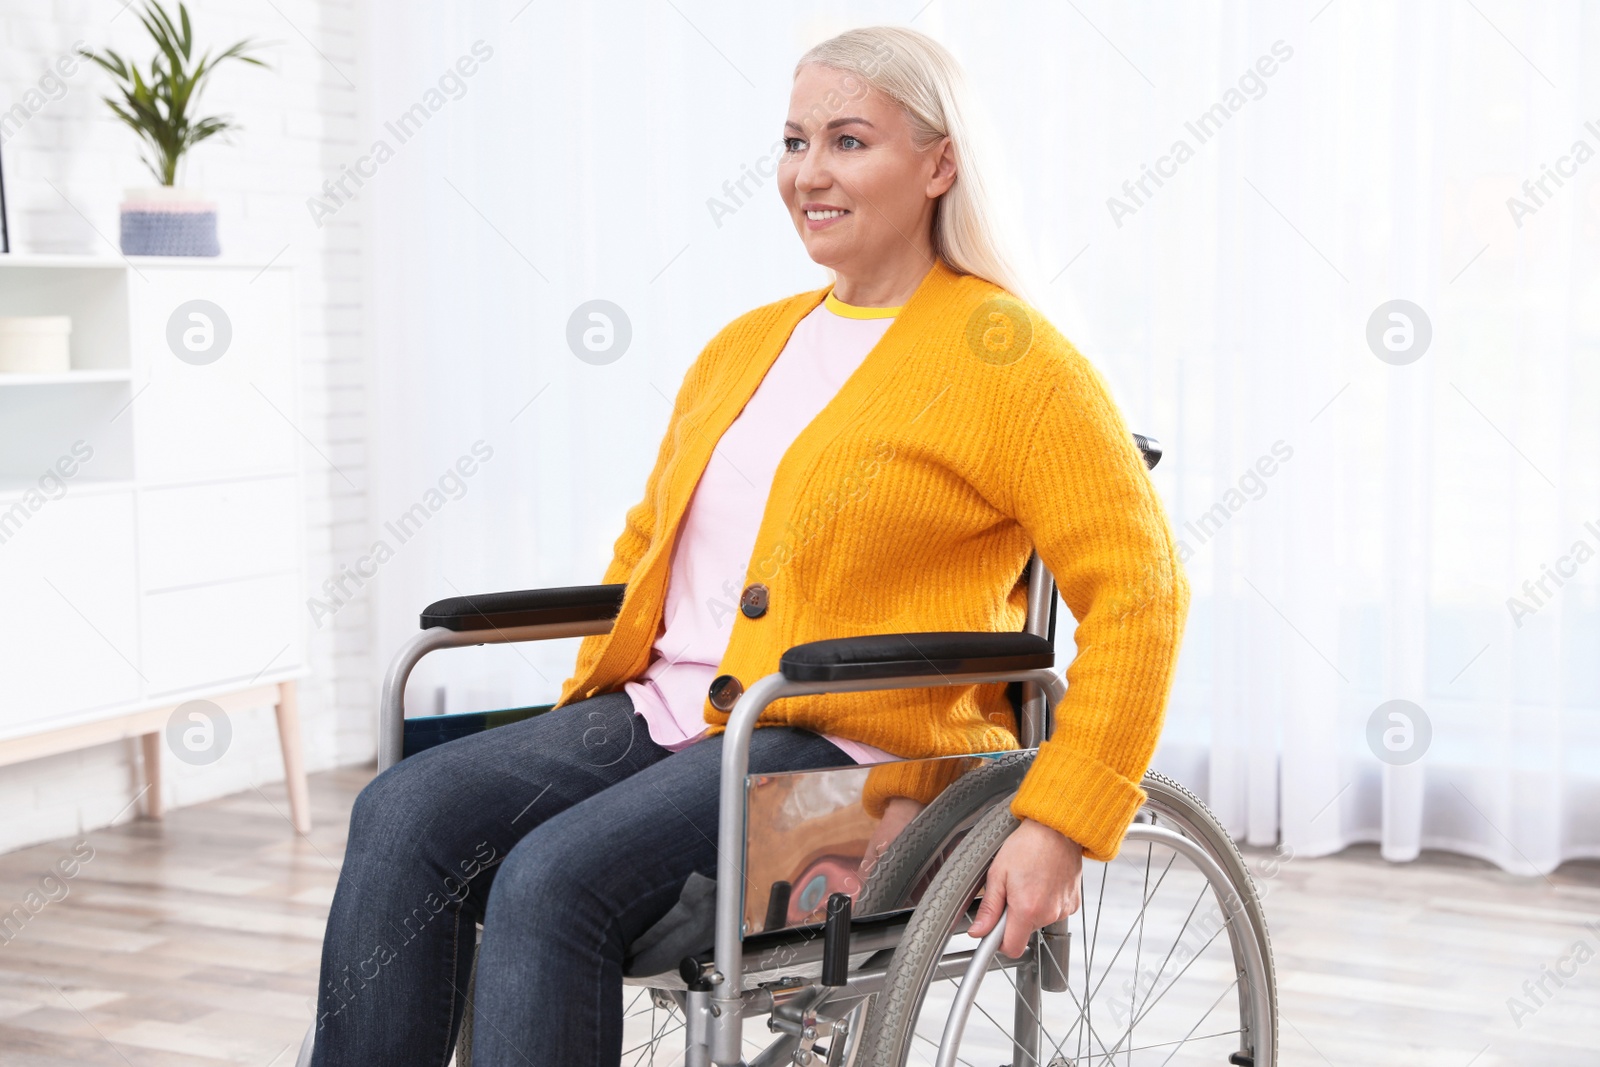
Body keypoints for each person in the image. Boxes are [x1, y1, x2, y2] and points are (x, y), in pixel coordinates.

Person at [309, 24, 1190, 1066]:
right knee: (404, 809)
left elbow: (1144, 592)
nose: (808, 173)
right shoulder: (744, 345)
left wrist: (1060, 819)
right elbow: (651, 543)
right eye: (794, 141)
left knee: (549, 879)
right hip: (676, 715)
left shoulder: (1013, 358)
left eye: (849, 141)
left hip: (851, 748)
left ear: (939, 162)